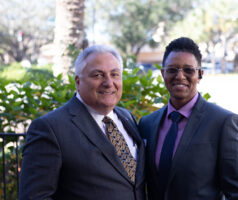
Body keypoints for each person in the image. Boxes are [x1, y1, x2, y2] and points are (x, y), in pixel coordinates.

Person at [19, 45, 145, 200]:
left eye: (115, 74)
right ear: (78, 82)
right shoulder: (50, 128)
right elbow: (34, 197)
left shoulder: (128, 118)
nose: (108, 82)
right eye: (98, 75)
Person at [139, 37, 238, 200]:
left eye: (188, 70)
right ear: (163, 74)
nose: (180, 76)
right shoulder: (147, 124)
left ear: (200, 74)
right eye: (172, 70)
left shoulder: (222, 123)